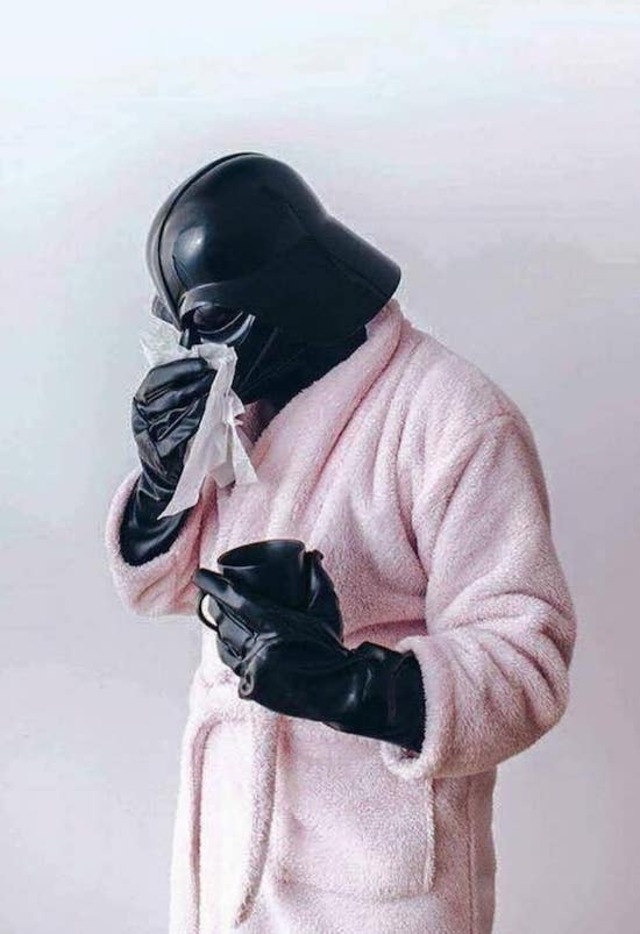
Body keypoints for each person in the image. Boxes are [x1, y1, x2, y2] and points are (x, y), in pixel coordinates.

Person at [105, 152, 577, 934]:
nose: (189, 348)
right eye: (174, 322)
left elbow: (527, 667)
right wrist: (162, 485)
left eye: (210, 322)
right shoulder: (241, 409)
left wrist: (353, 687)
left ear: (287, 290)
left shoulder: (455, 420)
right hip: (233, 862)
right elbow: (162, 589)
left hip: (376, 882)